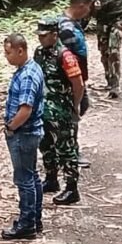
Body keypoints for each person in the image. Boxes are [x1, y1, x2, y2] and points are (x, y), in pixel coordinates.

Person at [34, 18, 84, 206]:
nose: (41, 39)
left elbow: (78, 84)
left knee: (67, 149)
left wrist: (75, 106)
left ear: (54, 35)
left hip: (62, 111)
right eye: (39, 36)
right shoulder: (40, 53)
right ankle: (51, 178)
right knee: (46, 145)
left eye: (44, 36)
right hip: (43, 109)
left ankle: (72, 188)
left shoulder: (65, 56)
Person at [2, 33, 45, 240]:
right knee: (32, 175)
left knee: (24, 178)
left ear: (21, 50)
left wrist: (11, 127)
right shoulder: (30, 68)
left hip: (23, 133)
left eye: (8, 52)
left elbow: (25, 109)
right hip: (29, 132)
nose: (6, 57)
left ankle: (27, 223)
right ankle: (34, 219)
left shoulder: (27, 75)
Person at [59, 0, 93, 167]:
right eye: (88, 7)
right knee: (73, 112)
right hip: (71, 79)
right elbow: (66, 59)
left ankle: (66, 145)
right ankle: (71, 151)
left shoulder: (73, 22)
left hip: (78, 76)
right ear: (81, 6)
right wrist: (75, 83)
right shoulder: (67, 28)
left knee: (81, 106)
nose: (89, 11)